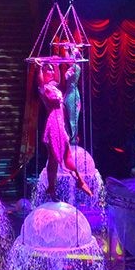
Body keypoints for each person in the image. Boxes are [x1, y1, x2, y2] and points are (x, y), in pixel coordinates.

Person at [37, 61, 92, 196]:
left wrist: (56, 64)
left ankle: (57, 186)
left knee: (59, 156)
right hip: (53, 124)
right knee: (55, 157)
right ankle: (74, 182)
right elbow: (40, 81)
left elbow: (58, 78)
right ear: (43, 73)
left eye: (52, 70)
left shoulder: (53, 86)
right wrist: (38, 67)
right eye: (48, 70)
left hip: (60, 122)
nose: (51, 72)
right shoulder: (43, 88)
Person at [59, 45, 83, 141]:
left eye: (72, 55)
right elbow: (68, 60)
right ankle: (68, 138)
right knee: (67, 116)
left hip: (72, 94)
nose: (70, 57)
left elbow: (67, 60)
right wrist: (66, 49)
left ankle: (72, 139)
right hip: (69, 93)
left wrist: (66, 50)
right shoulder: (74, 67)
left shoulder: (76, 67)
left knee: (72, 117)